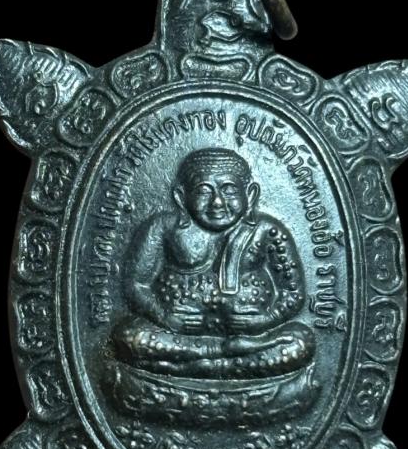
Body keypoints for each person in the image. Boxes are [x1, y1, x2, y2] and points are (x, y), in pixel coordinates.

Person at [112, 148, 314, 378]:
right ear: (181, 196)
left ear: (250, 194)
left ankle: (190, 367)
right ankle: (223, 359)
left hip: (251, 338)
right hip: (181, 337)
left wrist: (265, 320)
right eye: (203, 191)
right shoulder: (163, 228)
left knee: (301, 341)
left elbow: (293, 292)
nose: (217, 202)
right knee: (129, 337)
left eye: (229, 190)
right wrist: (164, 317)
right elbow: (136, 284)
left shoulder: (266, 230)